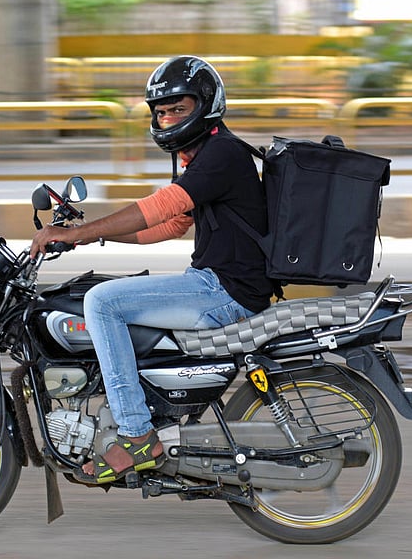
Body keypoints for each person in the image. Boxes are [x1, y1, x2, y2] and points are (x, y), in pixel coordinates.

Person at [30, 56, 274, 484]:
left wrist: (82, 234)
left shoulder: (223, 153)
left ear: (205, 105)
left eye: (178, 108)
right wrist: (92, 234)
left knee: (102, 302)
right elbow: (172, 225)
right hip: (215, 283)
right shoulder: (207, 157)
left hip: (224, 291)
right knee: (106, 295)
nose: (167, 118)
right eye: (161, 111)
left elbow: (163, 206)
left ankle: (137, 434)